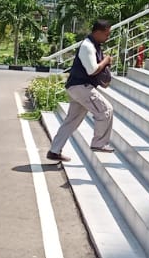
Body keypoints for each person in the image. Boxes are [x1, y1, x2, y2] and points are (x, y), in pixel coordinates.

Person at [46, 19, 115, 161]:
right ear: (98, 32)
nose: (108, 37)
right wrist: (106, 61)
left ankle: (54, 151)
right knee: (106, 110)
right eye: (106, 34)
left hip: (77, 87)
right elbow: (92, 70)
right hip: (81, 87)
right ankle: (99, 143)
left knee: (72, 121)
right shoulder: (88, 46)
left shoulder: (94, 45)